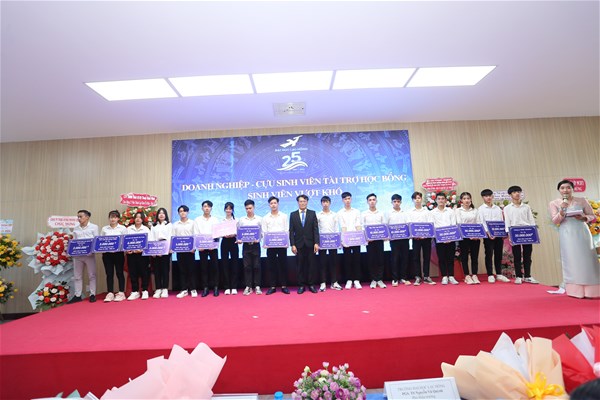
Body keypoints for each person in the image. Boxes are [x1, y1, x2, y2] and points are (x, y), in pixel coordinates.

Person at [548, 179, 599, 298]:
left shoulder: (582, 200)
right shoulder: (554, 203)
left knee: (587, 258)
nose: (565, 190)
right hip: (567, 233)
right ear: (559, 190)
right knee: (571, 259)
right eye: (562, 188)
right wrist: (562, 211)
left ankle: (592, 290)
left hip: (582, 231)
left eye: (568, 187)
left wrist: (583, 218)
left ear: (572, 189)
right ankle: (575, 291)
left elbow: (592, 216)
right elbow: (555, 220)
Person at [504, 185, 539, 284]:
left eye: (518, 192)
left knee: (528, 255)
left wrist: (534, 233)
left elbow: (531, 220)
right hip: (515, 232)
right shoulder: (507, 208)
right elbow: (507, 222)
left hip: (527, 232)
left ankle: (528, 276)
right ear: (510, 195)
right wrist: (509, 235)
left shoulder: (526, 207)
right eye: (514, 192)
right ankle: (518, 276)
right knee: (517, 256)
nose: (517, 194)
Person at [478, 189, 511, 283]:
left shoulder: (497, 208)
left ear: (492, 196)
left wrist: (503, 233)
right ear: (483, 197)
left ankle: (499, 274)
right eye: (486, 196)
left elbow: (501, 221)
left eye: (490, 196)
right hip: (488, 236)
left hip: (498, 235)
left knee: (498, 254)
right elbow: (482, 222)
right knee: (489, 254)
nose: (488, 197)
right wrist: (488, 233)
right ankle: (490, 274)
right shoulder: (481, 209)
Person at [289, 194, 320, 294]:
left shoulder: (312, 213)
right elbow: (291, 231)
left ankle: (311, 285)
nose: (302, 203)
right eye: (300, 201)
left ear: (307, 202)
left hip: (311, 244)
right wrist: (293, 244)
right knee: (300, 266)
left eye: (304, 201)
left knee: (311, 265)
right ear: (298, 202)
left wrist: (316, 243)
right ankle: (301, 285)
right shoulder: (293, 214)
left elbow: (315, 229)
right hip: (298, 244)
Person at [69, 209, 99, 303]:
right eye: (78, 217)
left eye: (80, 216)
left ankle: (92, 294)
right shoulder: (76, 228)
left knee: (92, 275)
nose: (79, 218)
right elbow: (74, 241)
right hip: (78, 256)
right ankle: (77, 295)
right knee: (77, 276)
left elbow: (96, 240)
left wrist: (91, 250)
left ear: (87, 217)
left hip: (89, 255)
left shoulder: (94, 227)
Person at [262, 196, 290, 295]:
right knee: (271, 266)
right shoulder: (265, 218)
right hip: (270, 246)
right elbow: (264, 232)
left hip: (282, 245)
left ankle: (284, 286)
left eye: (275, 203)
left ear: (278, 204)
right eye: (271, 203)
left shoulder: (284, 216)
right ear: (269, 205)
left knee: (283, 265)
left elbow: (287, 230)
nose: (273, 205)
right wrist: (267, 242)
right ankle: (272, 286)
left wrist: (286, 242)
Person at [407, 192, 435, 285]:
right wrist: (415, 235)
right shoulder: (410, 212)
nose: (417, 200)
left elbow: (430, 224)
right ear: (413, 200)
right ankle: (418, 277)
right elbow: (409, 225)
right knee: (416, 257)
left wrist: (425, 235)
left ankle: (426, 276)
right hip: (416, 239)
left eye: (419, 198)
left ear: (421, 199)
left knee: (426, 257)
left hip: (426, 238)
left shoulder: (427, 211)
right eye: (415, 198)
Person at [431, 192, 459, 285]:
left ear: (446, 200)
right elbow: (433, 226)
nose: (441, 200)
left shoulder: (450, 211)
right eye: (439, 199)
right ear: (436, 200)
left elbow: (453, 224)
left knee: (450, 257)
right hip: (439, 238)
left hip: (451, 237)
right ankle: (444, 276)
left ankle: (451, 276)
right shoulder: (432, 212)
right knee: (441, 258)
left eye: (442, 199)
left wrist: (450, 237)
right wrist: (441, 237)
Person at [194, 200, 221, 297]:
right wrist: (198, 246)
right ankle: (205, 288)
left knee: (215, 267)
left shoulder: (215, 220)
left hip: (213, 247)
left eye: (209, 206)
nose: (207, 208)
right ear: (202, 208)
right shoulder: (197, 220)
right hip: (202, 247)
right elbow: (196, 233)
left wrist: (214, 245)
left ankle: (216, 287)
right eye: (205, 206)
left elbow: (218, 233)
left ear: (211, 208)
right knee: (203, 267)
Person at [100, 210, 127, 302]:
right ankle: (110, 293)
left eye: (115, 217)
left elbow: (125, 241)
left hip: (119, 254)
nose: (113, 219)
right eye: (111, 217)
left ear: (118, 218)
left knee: (119, 273)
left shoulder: (122, 228)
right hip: (107, 254)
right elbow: (100, 241)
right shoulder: (104, 229)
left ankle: (121, 292)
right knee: (109, 273)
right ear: (109, 218)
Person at [338, 192, 363, 289]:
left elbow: (358, 225)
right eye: (345, 199)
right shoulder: (340, 212)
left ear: (351, 199)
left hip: (356, 239)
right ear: (342, 200)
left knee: (357, 259)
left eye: (349, 198)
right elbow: (342, 226)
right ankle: (349, 280)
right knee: (347, 260)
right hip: (346, 240)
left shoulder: (356, 211)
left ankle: (357, 280)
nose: (347, 201)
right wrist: (344, 240)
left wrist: (360, 238)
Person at [237, 199, 263, 295]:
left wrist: (259, 239)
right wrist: (239, 239)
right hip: (246, 246)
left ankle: (257, 286)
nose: (248, 210)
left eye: (250, 208)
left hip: (256, 245)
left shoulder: (259, 219)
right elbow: (238, 233)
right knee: (247, 266)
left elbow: (262, 232)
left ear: (254, 207)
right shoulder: (242, 220)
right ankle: (248, 286)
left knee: (257, 266)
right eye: (247, 208)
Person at [455, 192, 481, 285]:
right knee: (464, 257)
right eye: (464, 198)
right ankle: (467, 275)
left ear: (471, 200)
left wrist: (476, 235)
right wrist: (467, 234)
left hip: (475, 237)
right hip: (464, 238)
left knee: (475, 257)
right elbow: (458, 223)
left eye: (468, 198)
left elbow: (479, 222)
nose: (466, 200)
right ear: (461, 200)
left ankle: (474, 275)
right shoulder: (458, 211)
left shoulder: (475, 210)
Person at [317, 196, 342, 291]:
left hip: (333, 241)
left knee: (333, 262)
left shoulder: (334, 215)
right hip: (322, 242)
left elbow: (336, 228)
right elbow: (316, 229)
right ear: (321, 203)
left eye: (327, 202)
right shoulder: (318, 215)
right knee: (322, 263)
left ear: (330, 203)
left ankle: (334, 282)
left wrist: (338, 241)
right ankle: (323, 283)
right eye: (323, 202)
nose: (325, 204)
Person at [172, 205, 197, 298]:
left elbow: (195, 235)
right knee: (182, 270)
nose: (182, 213)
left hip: (190, 250)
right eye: (180, 211)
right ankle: (184, 289)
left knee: (191, 270)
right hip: (180, 251)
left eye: (184, 211)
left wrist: (194, 247)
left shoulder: (193, 223)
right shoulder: (175, 224)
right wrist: (173, 248)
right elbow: (173, 237)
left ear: (188, 212)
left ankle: (193, 289)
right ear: (178, 213)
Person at [362, 193, 387, 289]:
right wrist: (366, 238)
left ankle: (380, 279)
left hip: (379, 240)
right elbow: (362, 227)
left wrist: (384, 236)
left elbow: (384, 225)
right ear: (367, 202)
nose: (372, 201)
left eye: (373, 200)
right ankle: (373, 279)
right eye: (370, 200)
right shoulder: (364, 214)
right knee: (371, 260)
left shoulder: (381, 213)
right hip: (369, 241)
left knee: (380, 259)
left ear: (376, 201)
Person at [125, 211, 151, 300]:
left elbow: (149, 242)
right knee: (133, 273)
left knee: (144, 272)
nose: (138, 219)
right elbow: (125, 241)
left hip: (142, 255)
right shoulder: (129, 229)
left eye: (140, 217)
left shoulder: (146, 229)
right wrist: (126, 250)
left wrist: (142, 249)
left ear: (142, 219)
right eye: (136, 217)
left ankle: (144, 290)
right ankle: (135, 291)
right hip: (131, 255)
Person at [387, 194, 411, 286]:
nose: (396, 203)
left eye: (398, 201)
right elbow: (386, 225)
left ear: (401, 202)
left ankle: (403, 278)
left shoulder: (405, 213)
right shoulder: (388, 213)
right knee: (395, 259)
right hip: (394, 240)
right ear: (391, 202)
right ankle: (395, 279)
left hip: (404, 239)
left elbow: (408, 225)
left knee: (405, 258)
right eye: (394, 201)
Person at [150, 207, 172, 298]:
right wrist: (153, 251)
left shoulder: (169, 225)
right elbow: (151, 238)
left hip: (166, 249)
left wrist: (168, 249)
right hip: (156, 249)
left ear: (165, 215)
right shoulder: (154, 226)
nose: (161, 215)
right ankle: (158, 289)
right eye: (160, 213)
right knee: (157, 270)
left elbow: (171, 237)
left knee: (165, 270)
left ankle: (165, 289)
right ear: (157, 215)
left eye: (163, 213)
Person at [221, 202, 239, 295]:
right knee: (225, 264)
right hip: (224, 241)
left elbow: (239, 233)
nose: (228, 210)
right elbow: (218, 233)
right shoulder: (221, 221)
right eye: (227, 208)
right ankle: (227, 287)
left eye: (230, 209)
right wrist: (223, 234)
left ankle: (234, 287)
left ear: (232, 210)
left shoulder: (236, 220)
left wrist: (234, 234)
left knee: (235, 263)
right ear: (224, 210)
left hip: (233, 242)